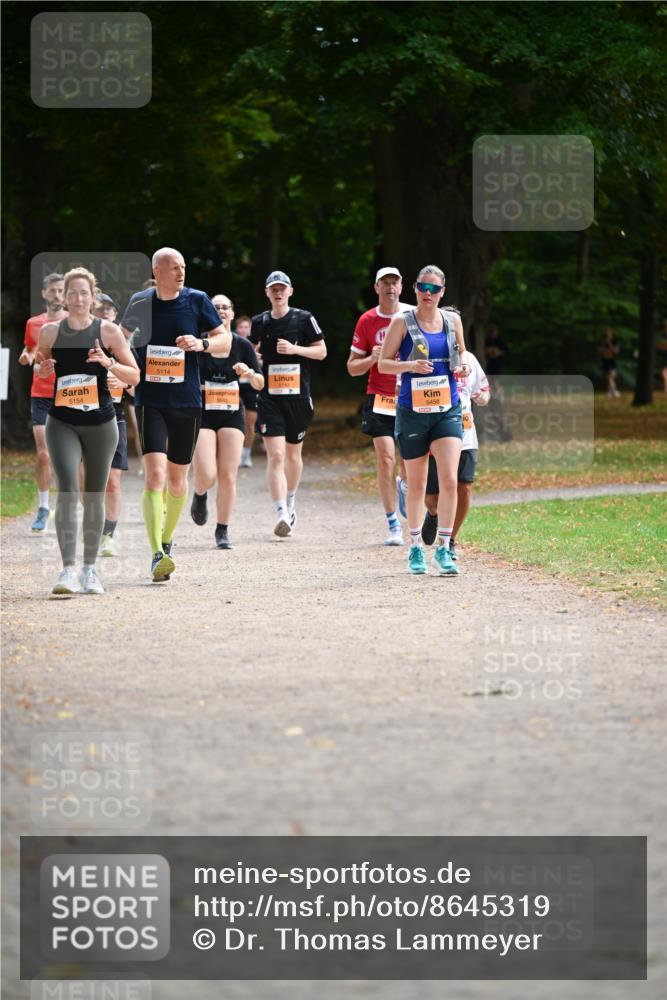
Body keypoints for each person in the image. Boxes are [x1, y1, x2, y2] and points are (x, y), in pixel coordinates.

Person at [121, 248, 232, 581]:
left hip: (186, 401)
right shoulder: (141, 301)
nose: (181, 272)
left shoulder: (197, 300)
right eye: (174, 267)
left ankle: (168, 540)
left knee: (177, 480)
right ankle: (156, 552)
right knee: (154, 475)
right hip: (149, 399)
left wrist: (202, 345)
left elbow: (224, 339)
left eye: (183, 266)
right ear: (157, 271)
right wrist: (128, 371)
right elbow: (120, 339)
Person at [36, 267, 139, 595]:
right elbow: (40, 368)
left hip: (101, 423)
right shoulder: (50, 333)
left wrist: (108, 364)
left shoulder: (108, 332)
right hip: (62, 421)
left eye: (84, 293)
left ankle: (90, 570)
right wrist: (44, 367)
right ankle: (67, 570)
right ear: (63, 298)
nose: (78, 298)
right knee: (67, 488)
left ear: (92, 297)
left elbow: (134, 376)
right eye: (72, 293)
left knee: (94, 493)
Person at [378, 265, 468, 576]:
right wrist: (410, 365)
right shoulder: (402, 322)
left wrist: (464, 369)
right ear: (415, 288)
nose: (427, 294)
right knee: (416, 484)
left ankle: (443, 548)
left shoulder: (453, 320)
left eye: (434, 289)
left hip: (447, 408)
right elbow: (383, 364)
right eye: (422, 287)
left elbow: (462, 357)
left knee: (449, 480)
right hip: (412, 411)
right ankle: (415, 546)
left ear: (443, 292)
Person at [249, 270, 326, 537]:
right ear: (267, 293)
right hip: (270, 398)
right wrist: (254, 362)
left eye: (282, 288)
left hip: (298, 397)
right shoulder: (259, 322)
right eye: (273, 289)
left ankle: (291, 502)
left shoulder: (304, 319)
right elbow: (252, 353)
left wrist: (295, 350)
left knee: (293, 456)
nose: (278, 292)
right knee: (277, 455)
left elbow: (321, 351)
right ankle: (281, 511)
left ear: (290, 291)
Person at [190, 306, 264, 548]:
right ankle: (200, 493)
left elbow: (261, 383)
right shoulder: (199, 344)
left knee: (228, 474)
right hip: (204, 413)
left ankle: (222, 531)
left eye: (225, 307)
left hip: (232, 412)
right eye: (215, 307)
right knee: (207, 474)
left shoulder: (242, 345)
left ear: (232, 314)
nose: (220, 310)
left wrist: (250, 373)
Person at [347, 266, 409, 546]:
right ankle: (393, 523)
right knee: (386, 460)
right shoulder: (367, 320)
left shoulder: (412, 315)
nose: (390, 288)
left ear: (401, 287)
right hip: (380, 396)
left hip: (410, 396)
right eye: (385, 283)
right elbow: (351, 368)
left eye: (394, 283)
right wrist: (372, 359)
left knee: (408, 461)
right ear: (376, 288)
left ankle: (405, 486)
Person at [421, 346, 490, 560]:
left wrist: (482, 397)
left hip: (466, 434)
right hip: (436, 434)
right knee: (432, 497)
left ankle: (449, 539)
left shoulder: (468, 359)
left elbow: (485, 390)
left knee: (464, 487)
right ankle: (433, 513)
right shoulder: (427, 357)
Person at [18, 272, 65, 532]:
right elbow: (29, 348)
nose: (57, 295)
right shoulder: (33, 323)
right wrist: (26, 356)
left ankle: (70, 504)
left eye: (61, 290)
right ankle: (44, 507)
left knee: (71, 457)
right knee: (44, 454)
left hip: (69, 393)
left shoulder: (74, 322)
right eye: (53, 291)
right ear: (44, 294)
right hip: (41, 394)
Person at [91, 293, 129, 558]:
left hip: (115, 417)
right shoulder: (80, 342)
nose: (105, 314)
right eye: (100, 310)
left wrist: (123, 382)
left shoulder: (123, 345)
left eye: (109, 310)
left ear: (116, 315)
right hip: (83, 418)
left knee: (113, 482)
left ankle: (108, 535)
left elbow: (137, 377)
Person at [234, 314, 258, 467]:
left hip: (250, 387)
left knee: (250, 423)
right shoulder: (231, 343)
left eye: (246, 327)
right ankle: (233, 454)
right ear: (237, 329)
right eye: (241, 327)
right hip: (234, 386)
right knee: (235, 421)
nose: (243, 330)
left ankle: (246, 454)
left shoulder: (255, 346)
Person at [598, 327, 620, 397]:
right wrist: (605, 347)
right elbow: (599, 351)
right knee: (608, 378)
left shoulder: (614, 342)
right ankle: (612, 392)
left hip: (612, 361)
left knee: (611, 377)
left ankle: (613, 391)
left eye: (609, 334)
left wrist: (609, 344)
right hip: (605, 361)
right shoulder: (602, 342)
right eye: (607, 334)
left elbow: (615, 351)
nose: (608, 335)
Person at [658, 319, 667, 394]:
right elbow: (658, 346)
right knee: (663, 372)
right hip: (663, 356)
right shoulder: (661, 335)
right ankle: (665, 387)